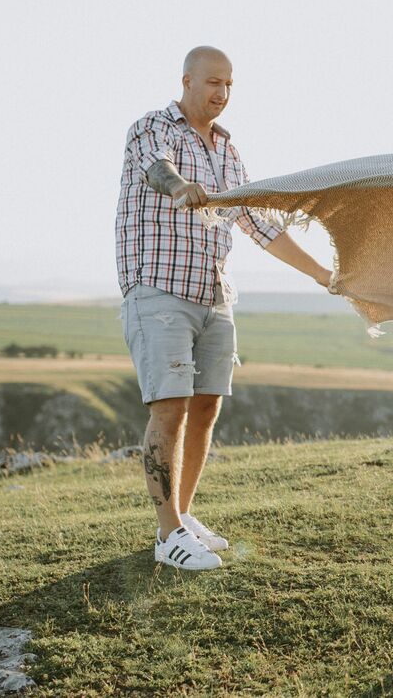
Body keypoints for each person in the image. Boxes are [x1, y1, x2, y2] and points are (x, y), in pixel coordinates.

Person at [116, 46, 335, 570]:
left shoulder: (229, 152)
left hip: (215, 296)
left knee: (207, 406)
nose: (221, 93)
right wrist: (181, 186)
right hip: (159, 290)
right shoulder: (153, 126)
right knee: (168, 406)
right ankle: (167, 533)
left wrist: (325, 277)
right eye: (213, 81)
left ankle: (184, 515)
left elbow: (259, 225)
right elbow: (158, 171)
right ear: (187, 80)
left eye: (230, 85)